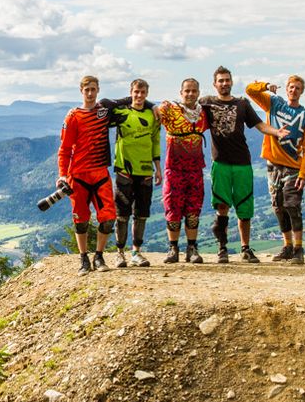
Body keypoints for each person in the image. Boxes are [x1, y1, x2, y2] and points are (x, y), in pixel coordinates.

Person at [200, 66, 288, 263]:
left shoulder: (242, 104)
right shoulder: (206, 102)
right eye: (220, 80)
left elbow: (259, 124)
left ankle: (245, 249)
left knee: (244, 207)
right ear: (215, 84)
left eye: (227, 80)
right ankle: (222, 249)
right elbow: (188, 109)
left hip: (242, 162)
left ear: (232, 82)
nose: (224, 83)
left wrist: (276, 132)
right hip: (220, 162)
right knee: (222, 205)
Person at [246, 76, 305, 264]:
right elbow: (250, 91)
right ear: (286, 89)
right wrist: (267, 86)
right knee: (278, 207)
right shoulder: (274, 103)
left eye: (298, 88)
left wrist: (304, 173)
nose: (294, 90)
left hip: (293, 167)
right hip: (272, 165)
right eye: (291, 87)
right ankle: (287, 246)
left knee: (292, 206)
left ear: (302, 92)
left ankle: (299, 249)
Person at [57, 75, 116, 276]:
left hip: (100, 173)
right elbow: (64, 149)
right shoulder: (73, 116)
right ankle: (83, 258)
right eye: (86, 90)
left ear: (98, 89)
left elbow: (131, 101)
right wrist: (62, 175)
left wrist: (153, 106)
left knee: (108, 218)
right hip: (78, 176)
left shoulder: (104, 111)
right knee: (80, 220)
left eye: (93, 89)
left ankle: (98, 256)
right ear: (81, 91)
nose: (90, 93)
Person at [107, 79, 162, 267]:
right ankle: (119, 253)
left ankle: (136, 252)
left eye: (143, 93)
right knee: (122, 213)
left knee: (142, 213)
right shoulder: (120, 112)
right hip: (124, 170)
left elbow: (155, 141)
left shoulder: (153, 115)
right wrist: (151, 103)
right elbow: (105, 103)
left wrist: (158, 168)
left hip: (145, 170)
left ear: (147, 93)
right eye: (136, 92)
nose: (139, 96)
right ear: (130, 92)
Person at [156, 78, 209, 264]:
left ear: (198, 93)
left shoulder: (203, 114)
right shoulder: (170, 110)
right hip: (174, 168)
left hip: (195, 168)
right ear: (181, 92)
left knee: (194, 208)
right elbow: (153, 112)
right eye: (187, 91)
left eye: (194, 91)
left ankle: (192, 248)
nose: (190, 94)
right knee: (172, 207)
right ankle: (173, 248)